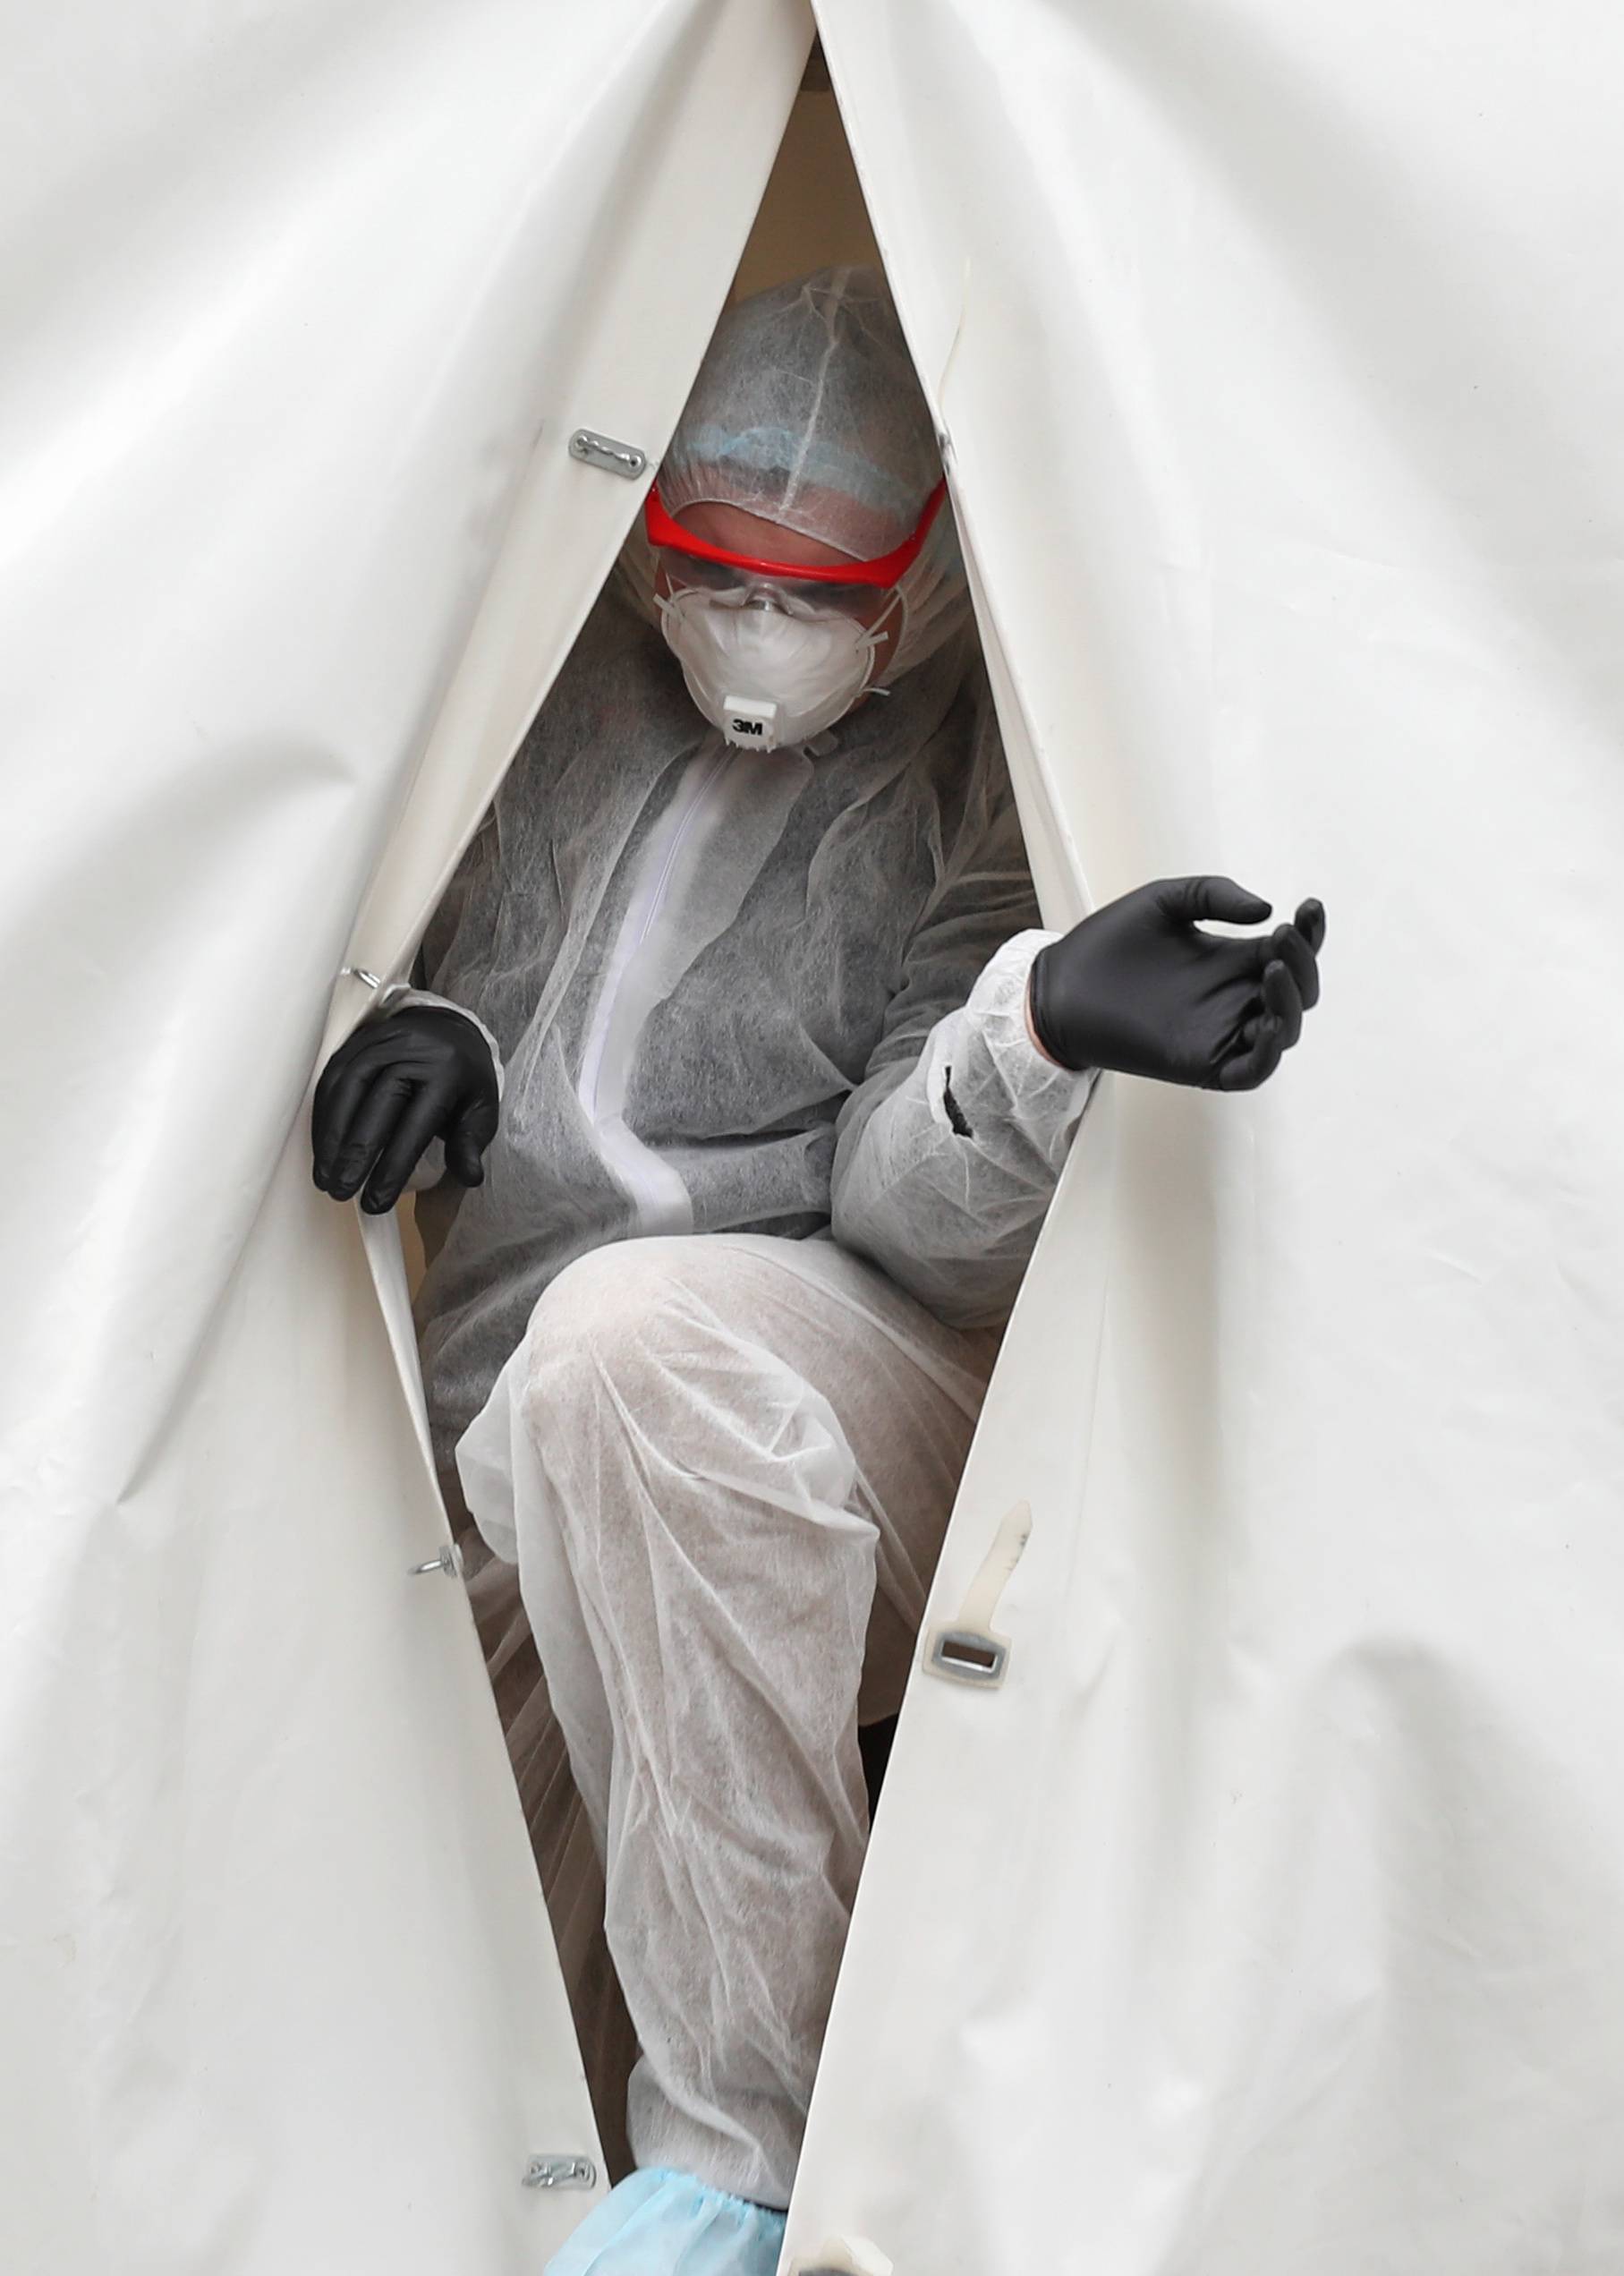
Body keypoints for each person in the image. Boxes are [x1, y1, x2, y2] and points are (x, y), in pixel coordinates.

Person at [310, 268, 1324, 2275]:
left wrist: (1033, 1029)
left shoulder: (977, 774)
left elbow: (896, 1213)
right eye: (716, 572)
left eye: (828, 593)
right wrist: (415, 1017)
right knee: (428, 2047)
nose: (760, 638)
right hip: (509, 1452)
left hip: (843, 1401)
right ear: (647, 536)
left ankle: (754, 2166)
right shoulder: (540, 700)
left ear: (927, 578)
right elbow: (495, 976)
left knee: (634, 1353)